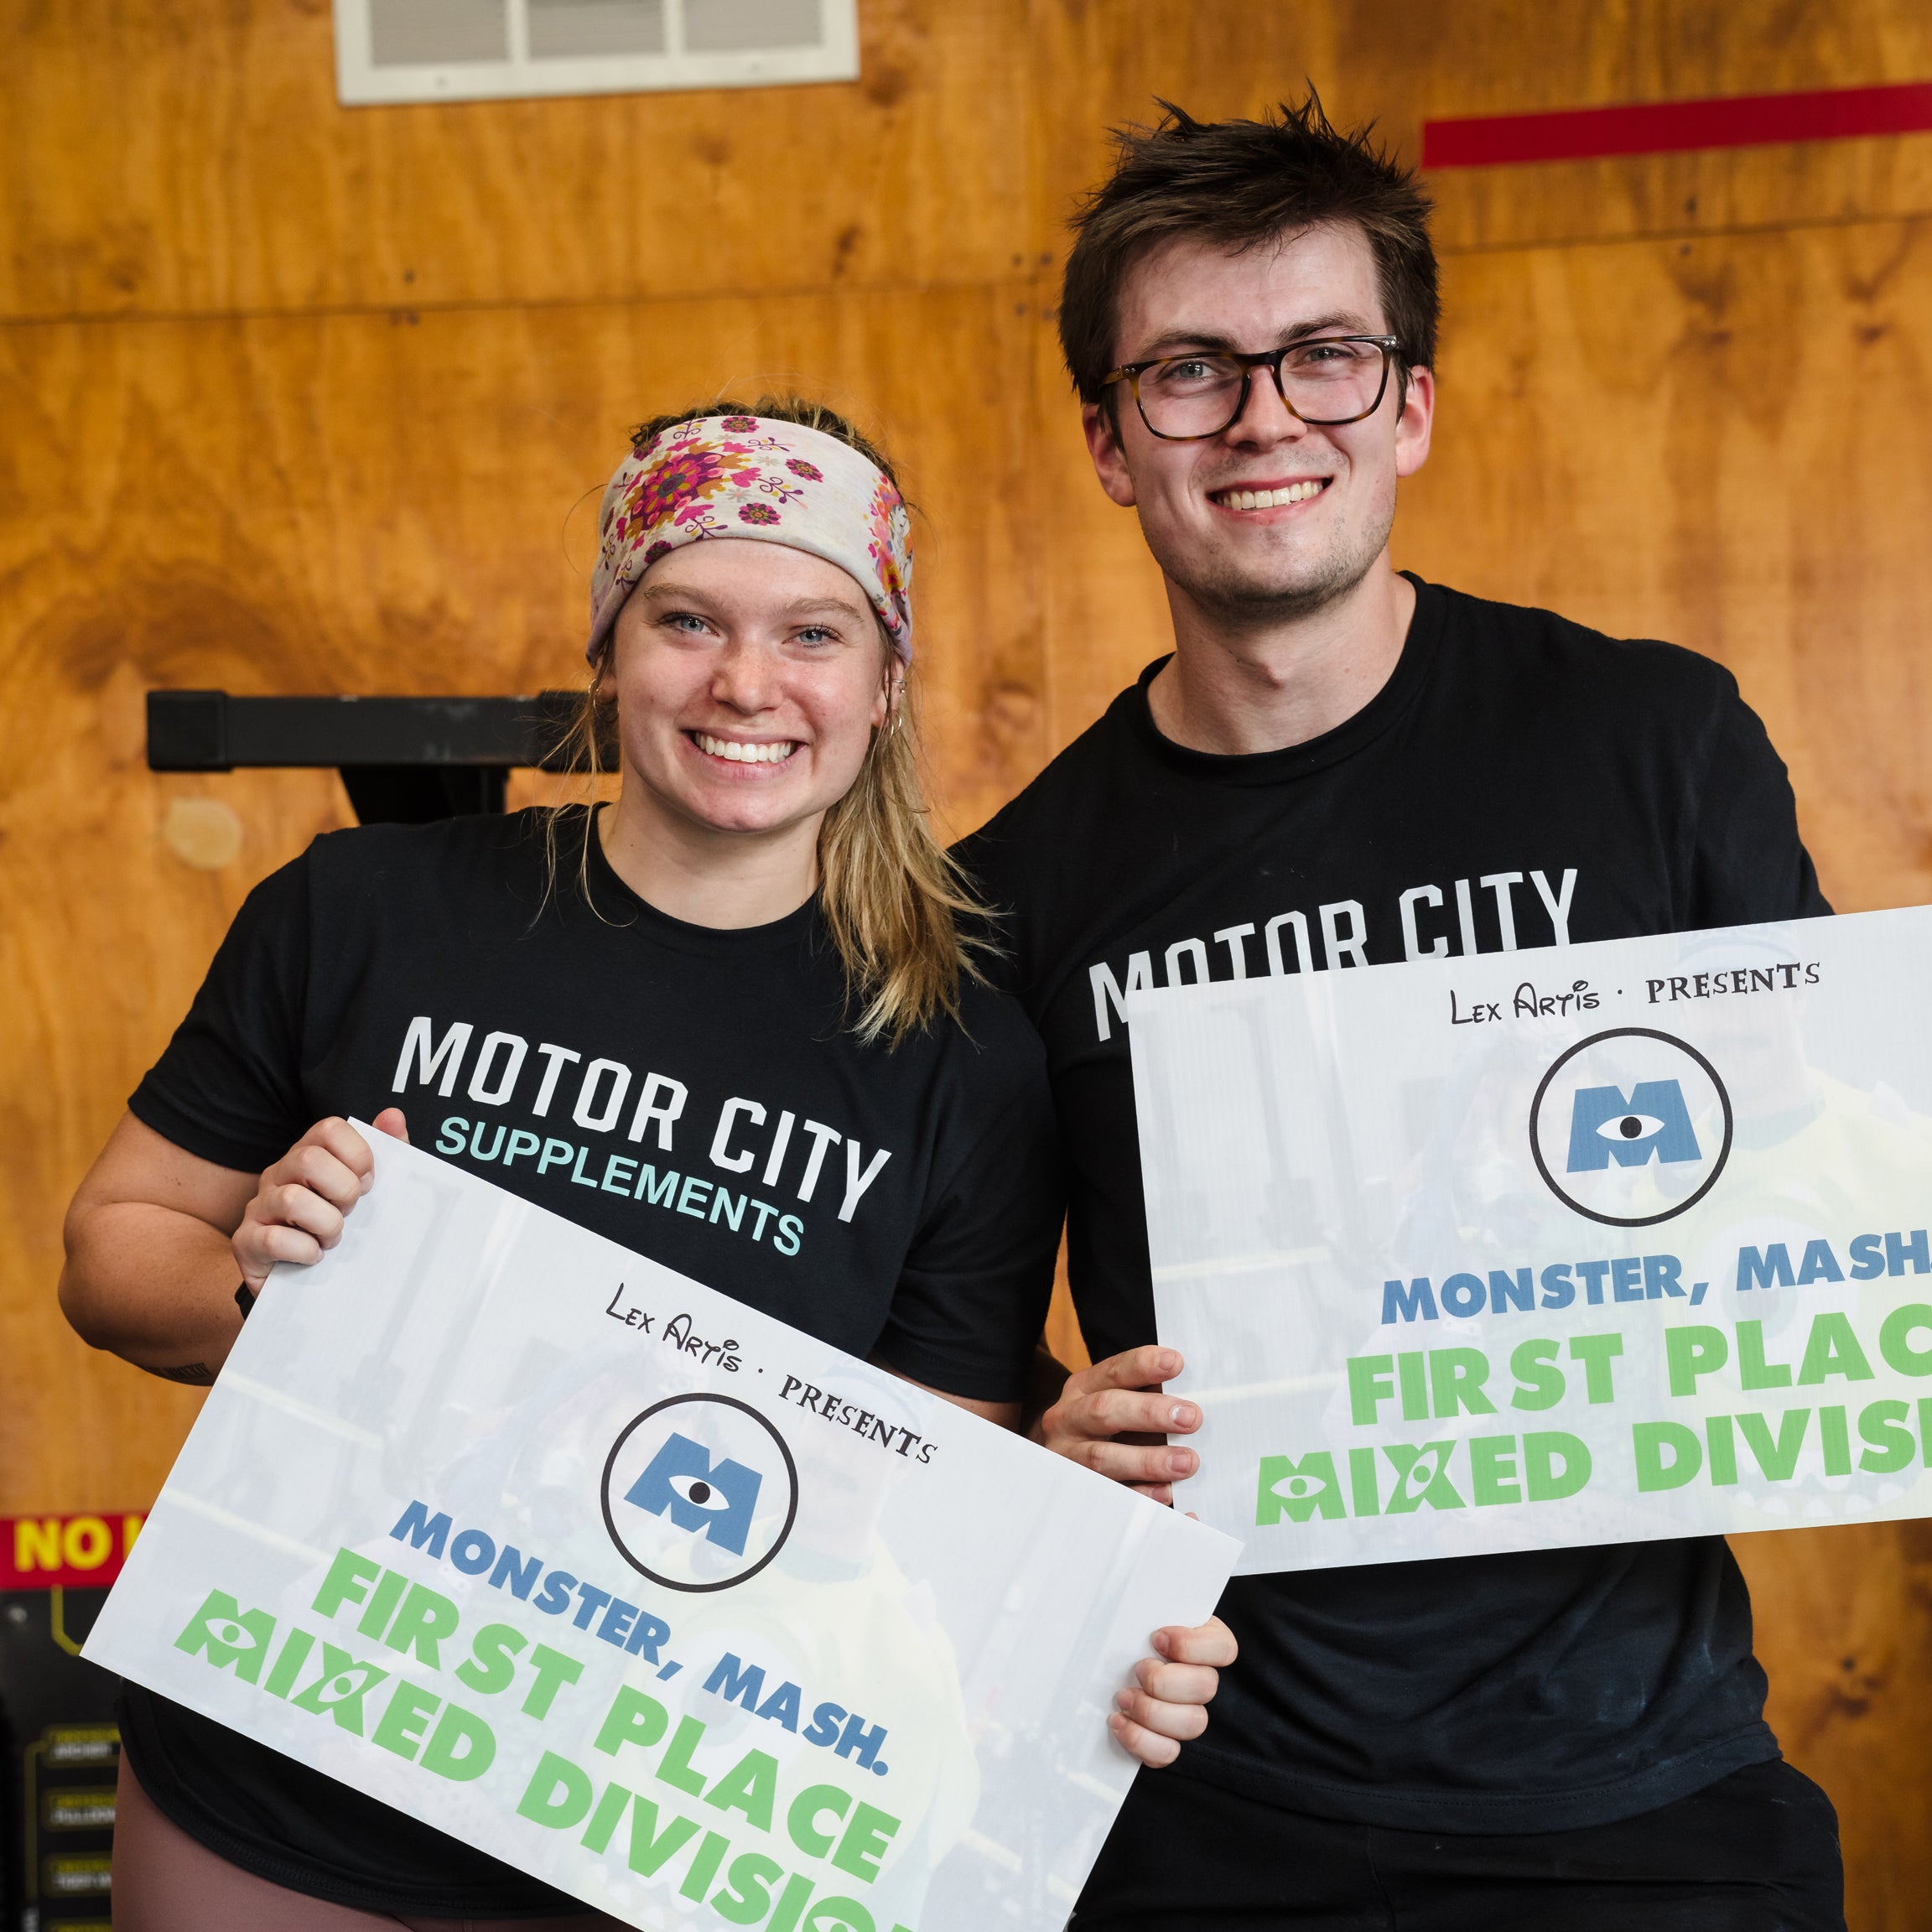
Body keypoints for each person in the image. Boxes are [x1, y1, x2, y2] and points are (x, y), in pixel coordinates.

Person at [59, 398, 1220, 1929]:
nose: (747, 682)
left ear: (885, 686)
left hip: (654, 1833)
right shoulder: (367, 909)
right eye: (688, 620)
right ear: (610, 650)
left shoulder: (962, 1060)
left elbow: (916, 1511)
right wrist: (278, 1296)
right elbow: (112, 1251)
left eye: (814, 633)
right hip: (277, 1782)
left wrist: (1080, 1580)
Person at [960, 101, 1846, 1929]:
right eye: (1190, 372)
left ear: (1411, 407)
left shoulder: (1652, 744)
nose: (1266, 417)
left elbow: (1832, 1193)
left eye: (1326, 358)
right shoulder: (1011, 893)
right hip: (1211, 1812)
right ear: (1112, 444)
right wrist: (1042, 1451)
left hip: (1652, 1792)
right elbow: (964, 1380)